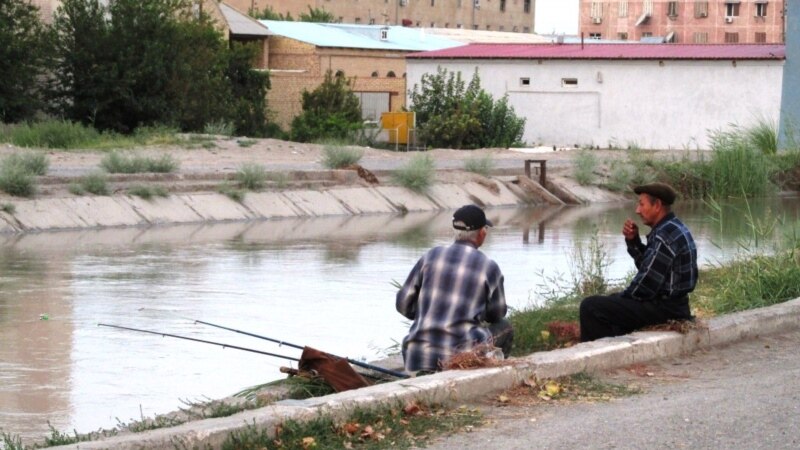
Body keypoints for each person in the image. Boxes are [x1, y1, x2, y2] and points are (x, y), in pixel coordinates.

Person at [396, 204, 514, 374]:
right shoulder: (489, 267)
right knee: (505, 326)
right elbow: (498, 313)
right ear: (482, 233)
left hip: (415, 354)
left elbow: (403, 304)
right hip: (460, 359)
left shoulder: (431, 256)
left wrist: (430, 313)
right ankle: (489, 375)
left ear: (455, 230)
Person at [579, 182, 698, 342]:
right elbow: (650, 266)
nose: (637, 210)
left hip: (666, 309)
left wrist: (621, 298)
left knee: (590, 307)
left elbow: (646, 285)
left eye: (642, 204)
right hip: (677, 305)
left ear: (657, 206)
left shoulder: (664, 236)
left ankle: (597, 354)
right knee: (610, 303)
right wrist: (633, 241)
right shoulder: (673, 227)